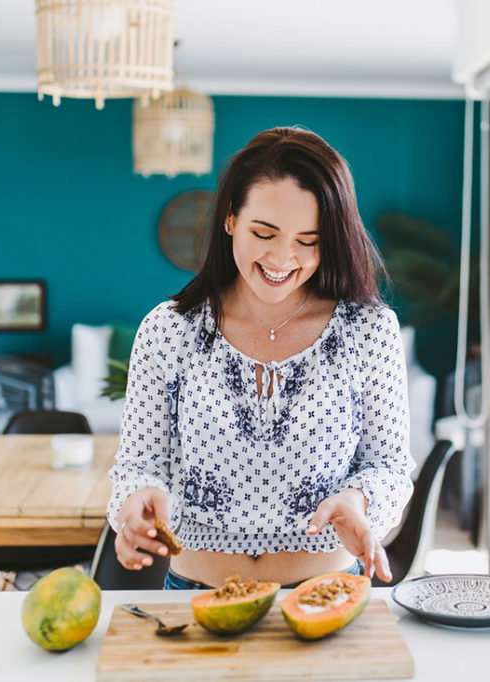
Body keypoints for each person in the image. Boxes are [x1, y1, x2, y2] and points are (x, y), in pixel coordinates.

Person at [107, 126, 413, 589]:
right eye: (264, 233)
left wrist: (358, 499)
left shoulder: (369, 331)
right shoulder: (168, 330)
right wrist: (135, 501)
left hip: (324, 592)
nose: (282, 257)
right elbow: (139, 465)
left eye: (308, 240)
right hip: (195, 593)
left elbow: (389, 467)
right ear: (230, 218)